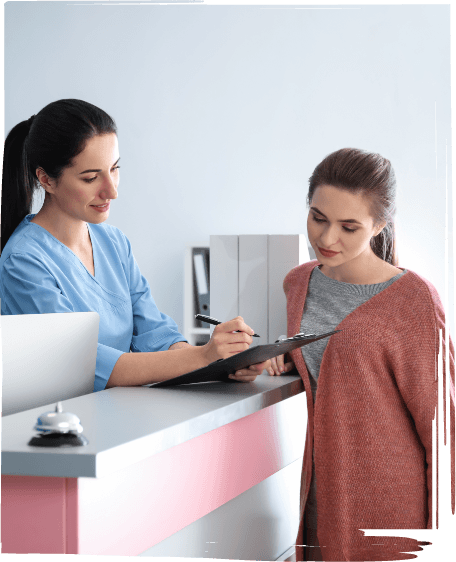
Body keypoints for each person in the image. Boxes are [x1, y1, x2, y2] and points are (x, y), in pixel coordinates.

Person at [0, 99, 269, 392]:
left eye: (114, 169)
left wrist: (222, 362)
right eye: (91, 177)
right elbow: (88, 364)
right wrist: (203, 356)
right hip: (58, 427)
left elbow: (156, 334)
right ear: (46, 180)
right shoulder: (23, 261)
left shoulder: (114, 243)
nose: (111, 190)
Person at [269, 148, 455, 562]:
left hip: (391, 518)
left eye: (349, 227)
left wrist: (445, 541)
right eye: (318, 218)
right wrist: (277, 360)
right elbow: (334, 371)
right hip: (319, 501)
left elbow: (444, 433)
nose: (327, 238)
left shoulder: (413, 300)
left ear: (379, 226)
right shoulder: (297, 283)